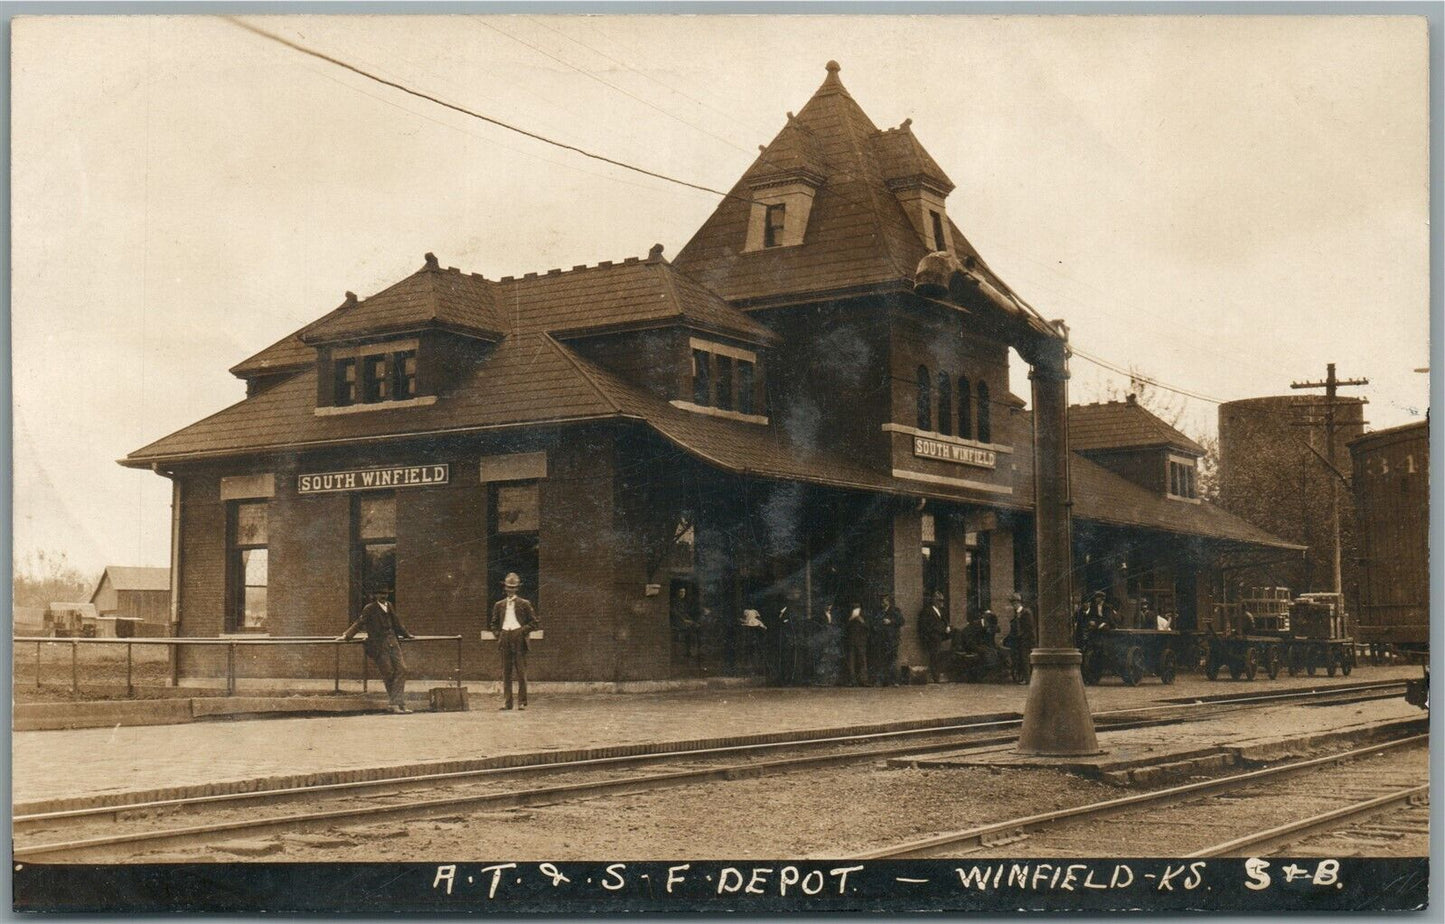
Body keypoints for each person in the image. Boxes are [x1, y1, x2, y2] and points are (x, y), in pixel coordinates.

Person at [338, 590, 414, 714]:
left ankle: (395, 703)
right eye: (380, 593)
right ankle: (398, 704)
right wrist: (347, 636)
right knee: (388, 673)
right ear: (375, 595)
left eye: (385, 593)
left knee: (402, 669)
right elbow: (359, 622)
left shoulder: (389, 606)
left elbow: (397, 623)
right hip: (379, 645)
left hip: (393, 642)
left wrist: (407, 635)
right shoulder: (369, 608)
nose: (383, 596)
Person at [488, 572, 540, 711]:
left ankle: (522, 702)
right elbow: (493, 623)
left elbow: (534, 622)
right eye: (508, 587)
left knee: (521, 671)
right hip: (505, 636)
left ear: (517, 588)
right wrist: (499, 635)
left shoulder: (524, 604)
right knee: (506, 672)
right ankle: (507, 702)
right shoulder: (499, 605)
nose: (510, 590)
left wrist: (522, 631)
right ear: (505, 588)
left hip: (519, 638)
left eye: (513, 587)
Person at [870, 593, 904, 686]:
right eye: (881, 600)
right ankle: (884, 681)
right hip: (881, 639)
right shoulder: (878, 611)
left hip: (892, 639)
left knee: (892, 660)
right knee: (881, 660)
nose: (882, 602)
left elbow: (902, 621)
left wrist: (891, 621)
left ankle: (895, 681)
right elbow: (874, 622)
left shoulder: (895, 610)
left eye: (884, 600)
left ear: (888, 601)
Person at [917, 591, 952, 683]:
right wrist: (943, 629)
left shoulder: (941, 611)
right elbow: (929, 626)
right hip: (932, 637)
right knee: (935, 655)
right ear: (935, 601)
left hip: (941, 635)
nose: (942, 602)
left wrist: (948, 627)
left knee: (956, 633)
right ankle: (936, 676)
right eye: (940, 600)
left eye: (942, 600)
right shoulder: (927, 611)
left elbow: (944, 621)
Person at [1005, 591, 1036, 684]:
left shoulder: (1026, 613)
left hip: (1026, 640)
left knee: (1025, 659)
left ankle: (1027, 679)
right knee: (1021, 659)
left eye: (1014, 603)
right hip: (1020, 640)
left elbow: (1029, 628)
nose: (1013, 606)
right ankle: (1024, 678)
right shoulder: (1017, 614)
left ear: (1018, 603)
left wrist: (1024, 638)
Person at [670, 585, 700, 665]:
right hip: (677, 621)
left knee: (696, 626)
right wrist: (684, 620)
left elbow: (685, 613)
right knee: (690, 629)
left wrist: (691, 620)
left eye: (684, 592)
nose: (682, 594)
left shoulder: (683, 602)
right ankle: (689, 649)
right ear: (677, 592)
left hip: (684, 621)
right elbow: (675, 612)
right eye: (681, 592)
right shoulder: (674, 601)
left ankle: (692, 649)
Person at [844, 602, 870, 686]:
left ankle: (863, 681)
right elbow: (845, 628)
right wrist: (850, 619)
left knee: (862, 661)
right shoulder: (849, 617)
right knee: (851, 661)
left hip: (861, 642)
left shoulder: (864, 616)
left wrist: (862, 621)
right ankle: (852, 681)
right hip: (851, 641)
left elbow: (869, 627)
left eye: (857, 608)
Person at [737, 607, 766, 675]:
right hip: (750, 638)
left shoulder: (754, 612)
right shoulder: (747, 612)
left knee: (754, 653)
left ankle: (755, 669)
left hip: (754, 638)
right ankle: (750, 669)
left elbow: (759, 619)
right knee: (750, 653)